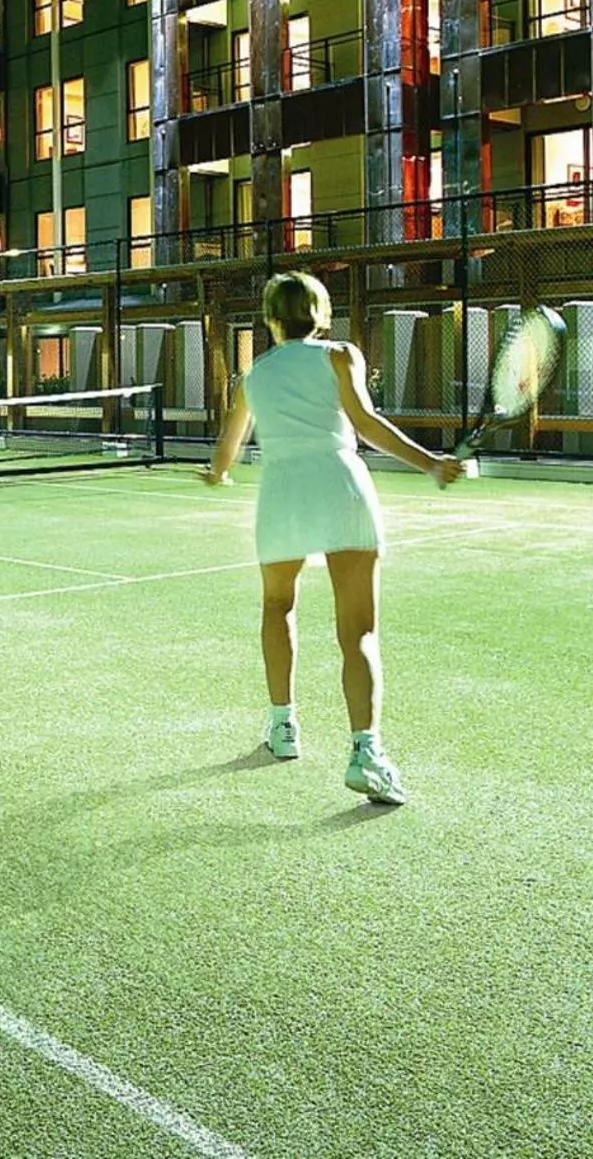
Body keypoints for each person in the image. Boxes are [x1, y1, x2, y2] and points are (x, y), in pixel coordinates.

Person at [201, 272, 463, 805]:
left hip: (282, 495)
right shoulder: (341, 355)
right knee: (358, 632)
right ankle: (366, 753)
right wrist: (431, 463)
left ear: (271, 318)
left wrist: (217, 473)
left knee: (277, 606)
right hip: (341, 488)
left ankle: (283, 726)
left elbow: (229, 444)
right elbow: (366, 424)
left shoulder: (255, 375)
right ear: (320, 313)